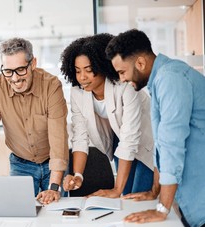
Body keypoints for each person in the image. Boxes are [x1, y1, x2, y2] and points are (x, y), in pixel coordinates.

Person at [105, 28, 205, 227]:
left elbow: (172, 144)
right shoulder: (161, 80)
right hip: (194, 201)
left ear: (140, 62)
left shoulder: (170, 79)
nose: (121, 79)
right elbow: (161, 143)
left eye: (122, 72)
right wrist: (154, 191)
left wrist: (162, 208)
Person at [60, 33, 156, 198]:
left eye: (89, 70)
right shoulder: (78, 93)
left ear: (103, 66)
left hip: (146, 141)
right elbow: (80, 137)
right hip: (119, 140)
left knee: (138, 196)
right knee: (126, 195)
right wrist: (78, 176)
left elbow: (130, 138)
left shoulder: (125, 86)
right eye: (77, 71)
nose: (82, 77)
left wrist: (116, 190)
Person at [0, 37, 69, 204]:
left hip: (53, 163)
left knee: (56, 214)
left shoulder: (51, 85)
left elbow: (58, 136)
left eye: (20, 70)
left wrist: (54, 187)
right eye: (8, 71)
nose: (15, 78)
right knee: (19, 213)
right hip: (21, 164)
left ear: (33, 63)